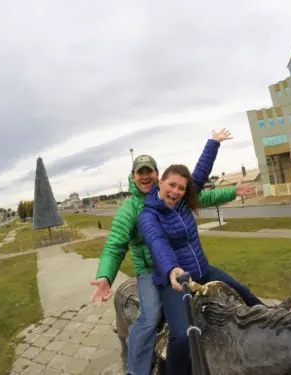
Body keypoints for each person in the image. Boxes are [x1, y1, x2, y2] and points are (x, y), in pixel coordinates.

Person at [89, 129, 246, 375]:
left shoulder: (167, 194)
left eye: (149, 172)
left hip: (179, 264)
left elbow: (200, 195)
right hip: (151, 270)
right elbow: (115, 245)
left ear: (157, 176)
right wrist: (105, 276)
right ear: (133, 177)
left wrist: (233, 192)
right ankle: (137, 370)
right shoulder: (129, 210)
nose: (145, 177)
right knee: (150, 316)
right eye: (140, 173)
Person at [138, 139, 291, 375]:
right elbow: (157, 242)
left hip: (203, 269)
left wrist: (214, 142)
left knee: (243, 292)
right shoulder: (148, 215)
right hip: (177, 282)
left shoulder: (182, 202)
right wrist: (171, 270)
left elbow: (200, 173)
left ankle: (274, 319)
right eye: (172, 185)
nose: (176, 191)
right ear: (160, 183)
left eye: (181, 188)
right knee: (181, 336)